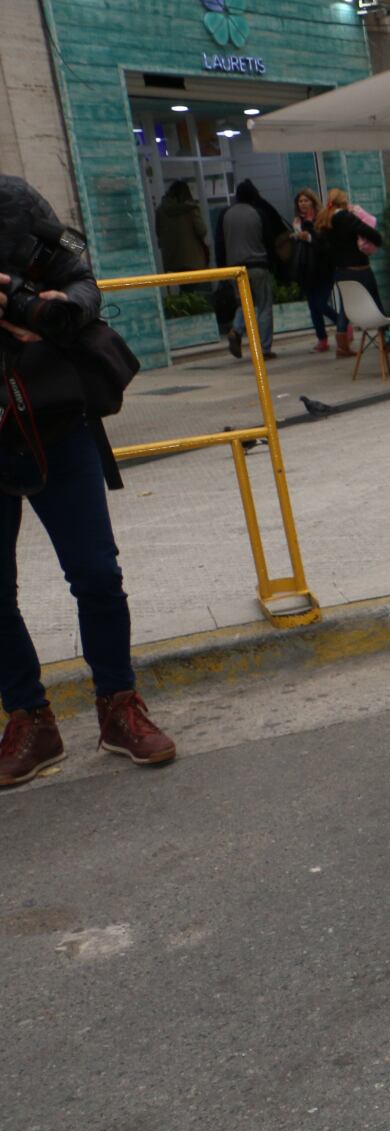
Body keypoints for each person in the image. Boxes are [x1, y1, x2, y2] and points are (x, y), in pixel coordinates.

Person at [0, 176, 176, 786]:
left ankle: (118, 706)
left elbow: (83, 281)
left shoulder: (13, 202)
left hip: (55, 421)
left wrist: (41, 308)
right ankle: (30, 720)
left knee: (97, 574)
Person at [214, 180, 287, 361]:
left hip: (235, 270)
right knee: (263, 306)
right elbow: (269, 241)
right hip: (258, 266)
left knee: (244, 304)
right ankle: (264, 349)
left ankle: (236, 329)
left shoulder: (225, 214)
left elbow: (220, 244)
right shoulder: (259, 213)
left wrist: (222, 270)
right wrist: (274, 264)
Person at [316, 188, 382, 360]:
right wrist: (377, 240)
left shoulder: (325, 220)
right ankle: (386, 339)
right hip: (359, 269)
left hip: (340, 272)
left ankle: (342, 346)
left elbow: (322, 247)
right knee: (376, 303)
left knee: (346, 306)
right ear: (343, 201)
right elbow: (369, 232)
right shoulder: (346, 217)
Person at [290, 188, 341, 355]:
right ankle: (322, 339)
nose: (303, 204)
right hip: (307, 268)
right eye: (300, 201)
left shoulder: (321, 218)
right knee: (313, 306)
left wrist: (309, 238)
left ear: (312, 201)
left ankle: (342, 324)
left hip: (323, 268)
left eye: (306, 200)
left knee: (320, 303)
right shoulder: (297, 222)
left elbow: (326, 244)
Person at [155, 180, 209, 276]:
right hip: (192, 259)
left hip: (172, 259)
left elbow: (158, 234)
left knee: (183, 288)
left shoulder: (160, 211)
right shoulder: (191, 209)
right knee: (195, 288)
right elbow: (202, 230)